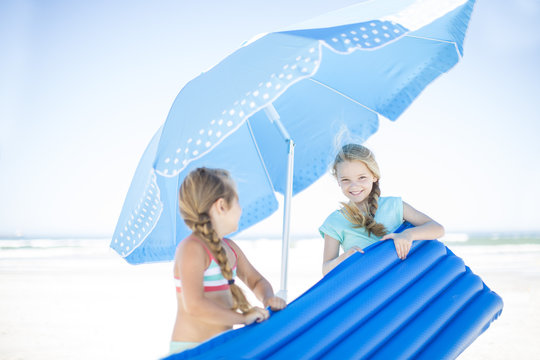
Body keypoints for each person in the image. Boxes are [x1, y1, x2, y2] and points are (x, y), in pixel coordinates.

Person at [170, 167, 287, 355]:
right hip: (192, 351)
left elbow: (256, 280)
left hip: (224, 348)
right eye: (237, 201)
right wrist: (242, 318)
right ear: (222, 206)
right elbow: (194, 305)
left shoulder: (230, 248)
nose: (241, 209)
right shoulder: (192, 248)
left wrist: (268, 299)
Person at [320, 144, 445, 276]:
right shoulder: (334, 221)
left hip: (403, 279)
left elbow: (437, 229)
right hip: (371, 290)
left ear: (374, 176)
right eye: (345, 180)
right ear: (338, 181)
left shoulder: (394, 205)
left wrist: (408, 234)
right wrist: (344, 258)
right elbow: (326, 269)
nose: (354, 186)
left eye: (361, 177)